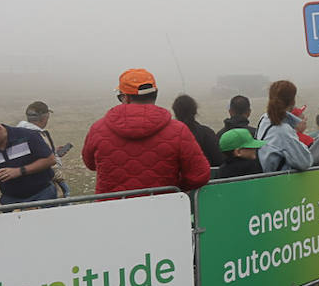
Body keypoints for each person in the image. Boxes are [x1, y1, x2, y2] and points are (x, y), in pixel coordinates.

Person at [82, 69, 212, 194]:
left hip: (111, 210)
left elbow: (91, 164)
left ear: (125, 97)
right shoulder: (178, 130)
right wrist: (175, 189)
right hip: (164, 209)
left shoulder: (98, 129)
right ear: (155, 94)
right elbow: (199, 174)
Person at [0, 114, 58, 205]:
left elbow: (50, 160)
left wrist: (20, 171)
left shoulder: (28, 136)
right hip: (10, 201)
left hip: (43, 195)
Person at [255, 80, 313, 173]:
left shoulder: (265, 119)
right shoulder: (283, 130)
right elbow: (305, 162)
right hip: (279, 183)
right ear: (292, 101)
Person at [17, 100, 71, 197]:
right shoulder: (38, 136)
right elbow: (51, 166)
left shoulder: (18, 133)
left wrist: (54, 153)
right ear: (45, 117)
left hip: (26, 184)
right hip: (46, 185)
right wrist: (60, 179)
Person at [172, 94, 225, 168]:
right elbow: (218, 161)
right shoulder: (208, 133)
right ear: (195, 111)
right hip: (208, 178)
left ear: (175, 112)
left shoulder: (170, 136)